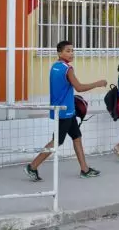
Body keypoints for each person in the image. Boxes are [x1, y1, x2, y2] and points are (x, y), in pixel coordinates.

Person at [25, 40, 107, 181]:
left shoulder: (55, 67)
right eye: (68, 51)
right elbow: (79, 88)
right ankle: (32, 166)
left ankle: (84, 169)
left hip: (65, 111)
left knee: (77, 138)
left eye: (72, 50)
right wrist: (98, 83)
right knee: (56, 141)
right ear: (59, 53)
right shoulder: (67, 69)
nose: (71, 53)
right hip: (65, 112)